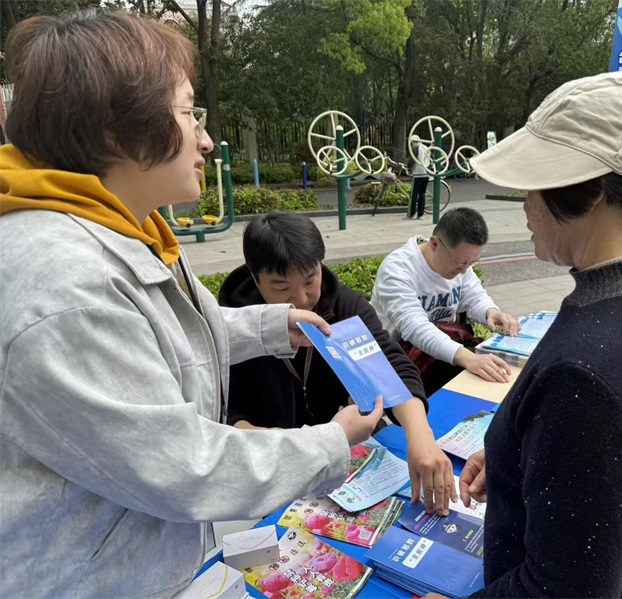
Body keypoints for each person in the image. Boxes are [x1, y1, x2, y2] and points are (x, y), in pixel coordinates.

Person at [0, 11, 382, 597]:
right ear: (117, 129)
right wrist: (331, 441)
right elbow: (184, 466)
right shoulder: (66, 284)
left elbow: (159, 336)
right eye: (187, 113)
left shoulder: (119, 228)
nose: (205, 139)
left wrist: (273, 325)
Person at [444, 71, 622, 598]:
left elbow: (562, 590)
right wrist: (520, 460)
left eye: (535, 183)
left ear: (592, 190)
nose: (526, 204)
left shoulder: (586, 374)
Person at [218, 212, 457, 515]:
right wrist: (293, 441)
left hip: (347, 463)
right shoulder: (232, 325)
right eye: (281, 287)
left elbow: (393, 366)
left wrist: (421, 435)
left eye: (310, 280)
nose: (301, 298)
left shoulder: (346, 307)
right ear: (255, 278)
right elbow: (229, 411)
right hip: (271, 464)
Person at [370, 207, 521, 392]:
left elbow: (474, 296)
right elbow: (415, 328)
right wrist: (468, 358)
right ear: (435, 244)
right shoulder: (397, 269)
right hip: (397, 365)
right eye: (461, 263)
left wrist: (490, 312)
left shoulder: (459, 261)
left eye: (471, 263)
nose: (464, 271)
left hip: (438, 358)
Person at [409, 134, 430, 219]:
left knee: (414, 194)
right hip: (426, 174)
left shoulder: (416, 149)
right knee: (422, 194)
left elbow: (411, 161)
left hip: (417, 174)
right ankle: (421, 214)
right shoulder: (426, 148)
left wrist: (408, 167)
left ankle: (413, 213)